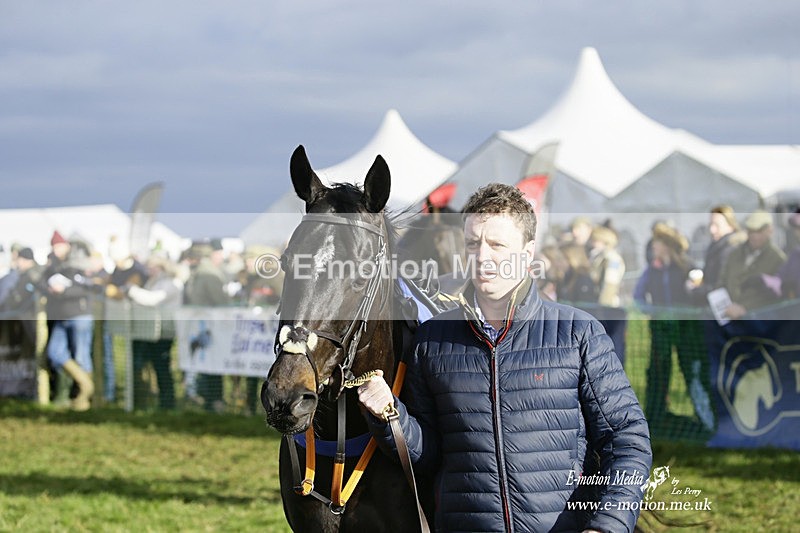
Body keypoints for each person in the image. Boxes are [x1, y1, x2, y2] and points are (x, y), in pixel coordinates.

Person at [358, 183, 652, 532]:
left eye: (497, 245)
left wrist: (609, 523)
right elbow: (431, 454)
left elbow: (626, 438)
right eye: (472, 243)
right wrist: (389, 415)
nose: (482, 256)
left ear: (527, 253)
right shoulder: (432, 340)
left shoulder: (578, 333)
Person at [633, 223, 715, 435]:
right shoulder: (653, 269)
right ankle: (655, 419)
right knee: (658, 372)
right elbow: (638, 295)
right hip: (661, 329)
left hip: (688, 330)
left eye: (658, 243)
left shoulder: (688, 267)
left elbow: (700, 295)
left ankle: (707, 420)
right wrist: (651, 310)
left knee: (692, 373)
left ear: (667, 245)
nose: (654, 247)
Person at [40, 230, 97, 411]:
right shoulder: (55, 266)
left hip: (79, 316)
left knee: (81, 356)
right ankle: (84, 387)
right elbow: (41, 282)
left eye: (57, 246)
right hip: (62, 316)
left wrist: (63, 291)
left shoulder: (78, 264)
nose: (55, 250)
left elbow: (87, 289)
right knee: (55, 352)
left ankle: (85, 397)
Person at [126, 254, 182, 410]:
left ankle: (167, 403)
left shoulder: (170, 284)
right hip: (152, 331)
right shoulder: (154, 282)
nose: (149, 270)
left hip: (164, 332)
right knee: (153, 366)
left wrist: (132, 290)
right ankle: (151, 400)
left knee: (162, 367)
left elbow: (152, 300)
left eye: (153, 267)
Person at [184, 239, 230, 412]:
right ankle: (214, 400)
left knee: (205, 362)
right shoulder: (209, 273)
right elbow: (221, 301)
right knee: (213, 363)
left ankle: (208, 398)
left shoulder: (198, 273)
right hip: (211, 326)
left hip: (204, 324)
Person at [721, 210, 786, 320]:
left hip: (759, 322)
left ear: (770, 231)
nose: (754, 236)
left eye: (759, 231)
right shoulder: (734, 254)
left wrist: (745, 308)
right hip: (727, 317)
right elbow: (722, 281)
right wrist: (723, 305)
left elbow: (777, 295)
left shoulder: (779, 259)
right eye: (751, 231)